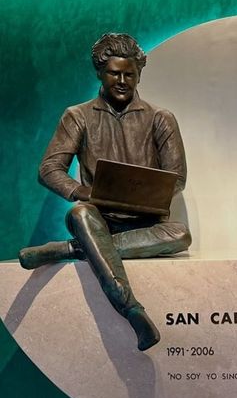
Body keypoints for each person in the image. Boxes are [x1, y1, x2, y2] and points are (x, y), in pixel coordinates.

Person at [18, 33, 191, 351]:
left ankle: (72, 249)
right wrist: (82, 192)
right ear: (100, 72)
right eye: (114, 73)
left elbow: (177, 178)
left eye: (130, 74)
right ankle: (132, 310)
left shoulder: (161, 118)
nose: (122, 81)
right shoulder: (78, 116)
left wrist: (140, 191)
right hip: (97, 220)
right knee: (80, 214)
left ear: (139, 75)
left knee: (180, 235)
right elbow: (49, 169)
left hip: (146, 225)